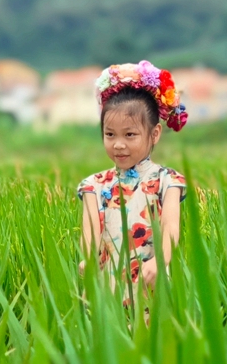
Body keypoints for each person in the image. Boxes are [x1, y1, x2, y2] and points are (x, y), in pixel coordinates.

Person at [77, 61, 188, 303]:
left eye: (130, 134)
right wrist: (88, 257)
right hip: (107, 283)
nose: (118, 144)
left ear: (154, 134)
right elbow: (90, 232)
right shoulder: (93, 185)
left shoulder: (168, 181)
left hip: (151, 280)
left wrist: (161, 259)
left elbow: (170, 227)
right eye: (110, 134)